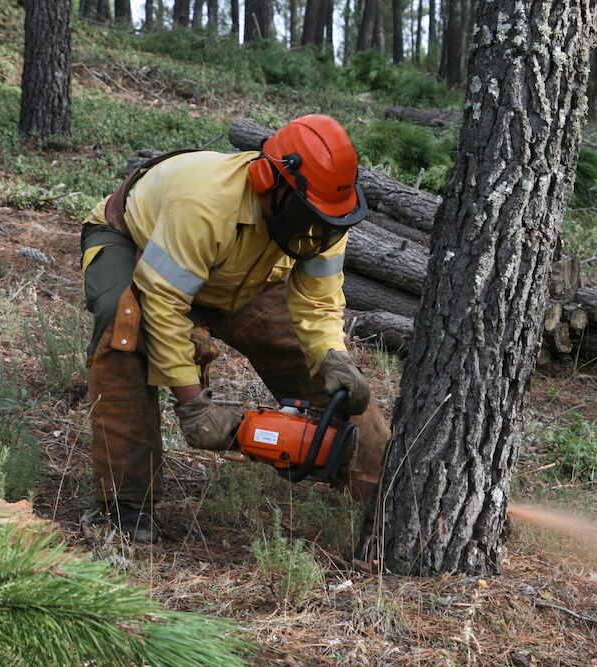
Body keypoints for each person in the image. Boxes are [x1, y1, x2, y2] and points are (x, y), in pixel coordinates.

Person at [80, 114, 389, 543]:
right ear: (269, 181)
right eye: (308, 217)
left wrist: (331, 355)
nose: (317, 233)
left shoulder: (325, 218)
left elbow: (317, 303)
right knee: (124, 330)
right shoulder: (205, 203)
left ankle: (385, 496)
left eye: (325, 222)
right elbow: (163, 304)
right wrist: (193, 406)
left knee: (328, 377)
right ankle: (126, 504)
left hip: (239, 274)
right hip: (138, 246)